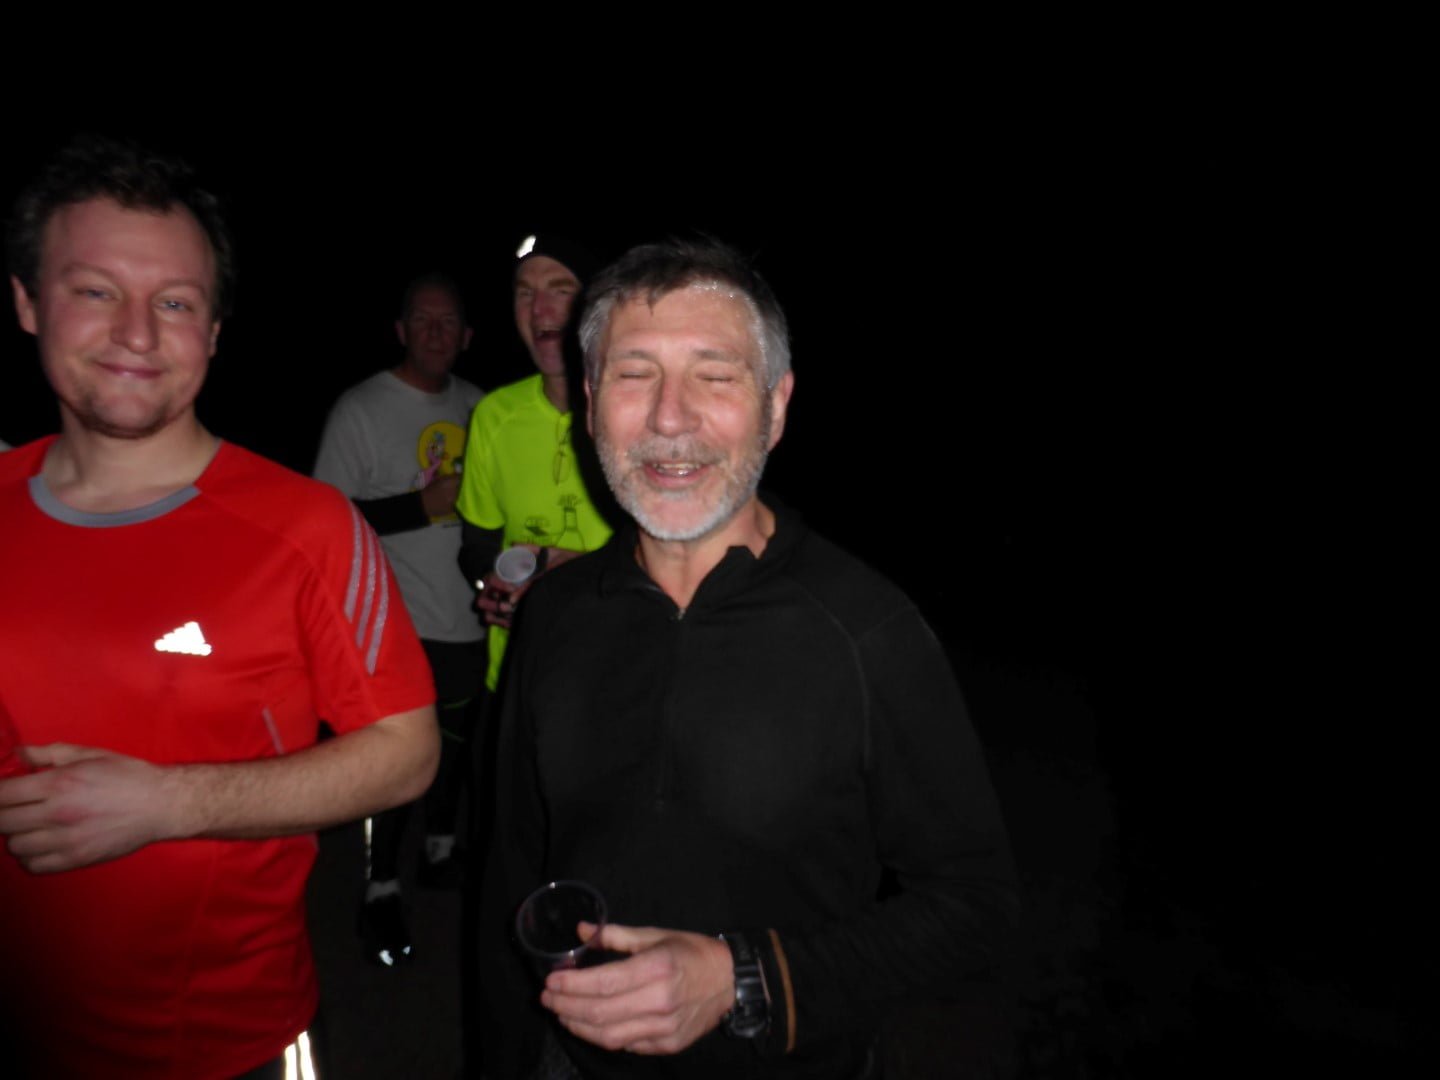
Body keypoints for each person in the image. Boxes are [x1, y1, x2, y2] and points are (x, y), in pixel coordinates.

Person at [478, 238, 1019, 1079]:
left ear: (775, 407)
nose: (669, 418)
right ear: (589, 403)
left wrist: (746, 978)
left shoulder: (866, 631)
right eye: (634, 374)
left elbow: (977, 906)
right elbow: (511, 871)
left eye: (715, 375)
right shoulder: (553, 615)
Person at [0, 135, 439, 1079]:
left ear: (213, 331)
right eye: (95, 291)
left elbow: (407, 752)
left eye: (175, 303)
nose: (137, 334)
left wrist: (167, 803)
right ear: (28, 301)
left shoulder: (305, 527)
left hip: (221, 1041)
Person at [314, 272, 485, 966]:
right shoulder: (362, 408)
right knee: (397, 765)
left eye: (448, 322)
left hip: (471, 617)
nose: (435, 333)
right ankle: (379, 888)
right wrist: (421, 506)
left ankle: (440, 853)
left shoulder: (482, 408)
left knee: (456, 751)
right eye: (423, 319)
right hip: (395, 624)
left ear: (467, 336)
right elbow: (325, 519)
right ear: (401, 329)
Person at [455, 233, 615, 693]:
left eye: (560, 289)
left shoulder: (637, 413)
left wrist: (575, 573)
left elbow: (684, 561)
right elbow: (476, 544)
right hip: (517, 678)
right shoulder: (493, 415)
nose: (539, 309)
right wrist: (491, 585)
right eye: (525, 293)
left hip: (614, 676)